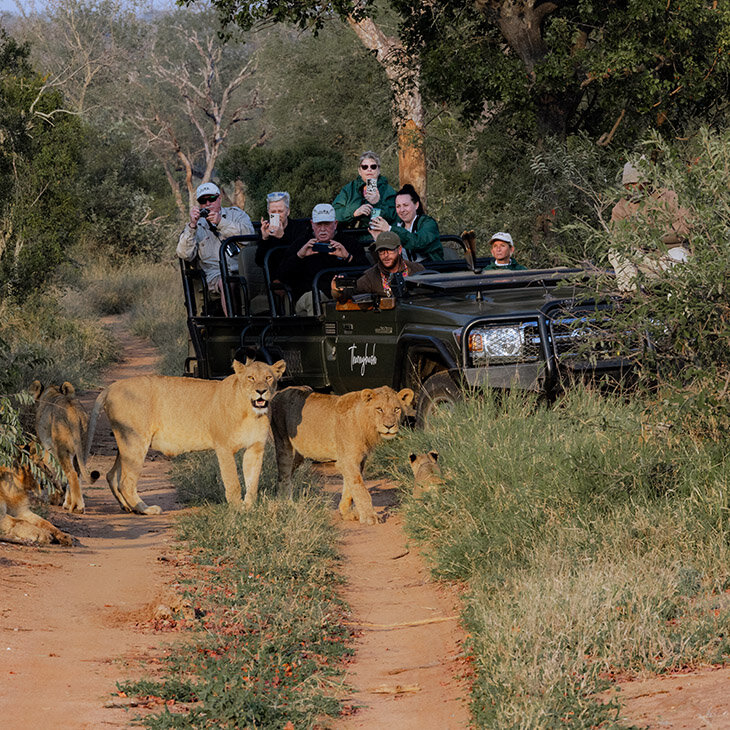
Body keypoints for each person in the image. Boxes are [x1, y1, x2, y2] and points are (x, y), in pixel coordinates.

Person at [609, 161, 691, 292]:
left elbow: (685, 228)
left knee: (681, 263)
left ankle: (682, 302)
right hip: (642, 259)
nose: (631, 188)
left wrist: (655, 234)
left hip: (670, 253)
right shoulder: (621, 208)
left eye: (635, 183)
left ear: (646, 182)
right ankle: (632, 291)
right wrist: (637, 239)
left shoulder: (669, 197)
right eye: (627, 185)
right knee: (615, 252)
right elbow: (617, 239)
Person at [276, 203, 369, 315]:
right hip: (310, 296)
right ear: (312, 224)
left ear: (335, 224)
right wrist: (299, 256)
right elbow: (282, 275)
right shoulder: (301, 244)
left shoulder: (349, 243)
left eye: (327, 224)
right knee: (314, 297)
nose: (323, 229)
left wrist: (348, 257)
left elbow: (367, 273)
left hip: (343, 295)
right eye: (319, 225)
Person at [177, 181, 255, 311]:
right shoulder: (196, 226)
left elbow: (249, 236)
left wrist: (221, 222)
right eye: (203, 201)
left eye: (212, 199)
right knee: (226, 282)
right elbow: (184, 254)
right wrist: (192, 226)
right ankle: (235, 324)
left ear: (219, 198)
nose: (208, 204)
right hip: (215, 274)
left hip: (242, 268)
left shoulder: (236, 215)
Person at [331, 230, 425, 301]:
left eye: (390, 250)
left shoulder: (416, 269)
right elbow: (350, 292)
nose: (385, 255)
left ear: (399, 250)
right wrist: (337, 290)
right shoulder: (371, 276)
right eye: (381, 251)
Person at [369, 183, 444, 262]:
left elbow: (417, 243)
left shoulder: (428, 223)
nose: (402, 210)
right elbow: (387, 260)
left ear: (416, 205)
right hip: (404, 271)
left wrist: (389, 229)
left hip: (429, 269)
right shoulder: (397, 226)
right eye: (398, 206)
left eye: (405, 205)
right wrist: (378, 240)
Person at [332, 151, 397, 233]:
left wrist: (377, 203)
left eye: (373, 166)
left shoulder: (388, 190)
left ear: (379, 170)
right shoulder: (349, 189)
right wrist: (354, 212)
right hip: (350, 235)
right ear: (359, 171)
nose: (369, 169)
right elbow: (334, 214)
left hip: (378, 237)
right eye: (365, 167)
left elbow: (394, 217)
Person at [255, 191, 311, 268]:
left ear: (288, 212)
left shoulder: (300, 228)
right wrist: (264, 239)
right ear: (269, 213)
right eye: (273, 212)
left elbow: (299, 257)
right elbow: (259, 261)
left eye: (280, 211)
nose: (277, 215)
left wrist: (282, 237)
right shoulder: (265, 230)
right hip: (273, 275)